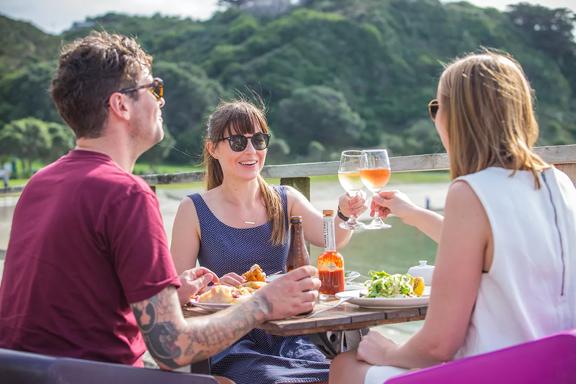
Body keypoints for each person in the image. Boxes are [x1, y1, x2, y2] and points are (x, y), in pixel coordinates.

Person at [0, 31, 321, 374]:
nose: (161, 101)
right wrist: (263, 303)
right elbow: (172, 349)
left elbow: (75, 309)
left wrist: (171, 296)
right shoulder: (127, 194)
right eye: (153, 89)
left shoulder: (40, 182)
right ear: (121, 105)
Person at [329, 50, 576, 384]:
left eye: (437, 108)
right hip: (557, 369)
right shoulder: (557, 182)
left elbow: (437, 345)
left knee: (344, 365)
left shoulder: (470, 191)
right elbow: (496, 250)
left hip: (495, 374)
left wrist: (388, 352)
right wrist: (413, 213)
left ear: (458, 116)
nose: (435, 119)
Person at [170, 100, 367, 384]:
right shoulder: (193, 209)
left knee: (337, 375)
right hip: (229, 340)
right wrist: (215, 287)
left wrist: (345, 213)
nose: (251, 151)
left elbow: (331, 238)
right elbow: (178, 291)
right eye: (237, 142)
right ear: (213, 148)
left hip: (288, 336)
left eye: (258, 140)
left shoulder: (285, 199)